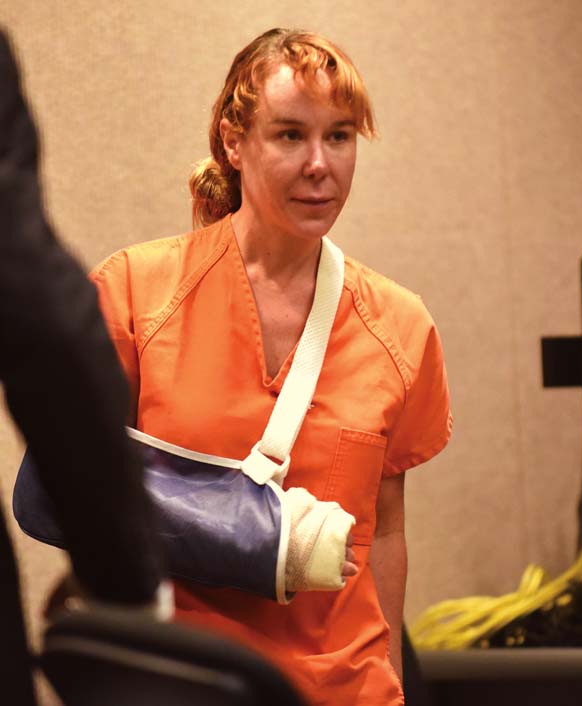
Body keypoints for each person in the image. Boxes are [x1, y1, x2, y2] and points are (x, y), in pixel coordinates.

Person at [90, 28, 452, 706]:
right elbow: (84, 495)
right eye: (290, 135)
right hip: (184, 683)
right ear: (234, 142)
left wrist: (393, 687)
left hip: (344, 691)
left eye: (339, 136)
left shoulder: (399, 326)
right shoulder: (135, 293)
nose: (320, 164)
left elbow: (384, 530)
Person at [0, 30, 170, 706]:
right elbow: (36, 314)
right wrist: (124, 587)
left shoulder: (389, 315)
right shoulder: (137, 286)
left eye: (340, 136)